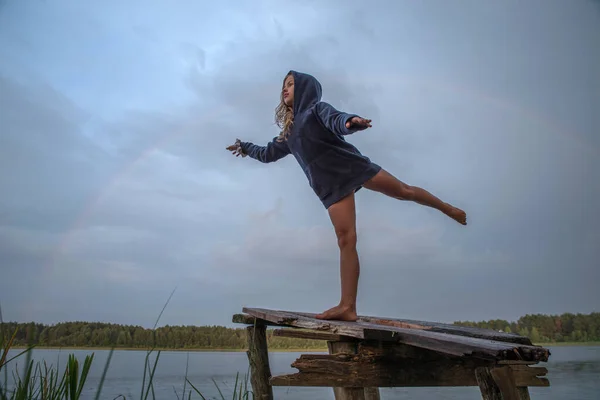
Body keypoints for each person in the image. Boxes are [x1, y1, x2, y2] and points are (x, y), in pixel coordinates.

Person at [226, 70, 467, 322]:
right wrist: (245, 147)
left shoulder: (316, 110)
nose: (285, 89)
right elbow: (267, 154)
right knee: (346, 240)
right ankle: (347, 307)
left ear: (306, 88)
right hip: (329, 184)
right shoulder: (288, 134)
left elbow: (337, 119)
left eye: (291, 84)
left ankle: (446, 208)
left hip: (350, 165)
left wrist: (351, 122)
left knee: (403, 191)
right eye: (283, 85)